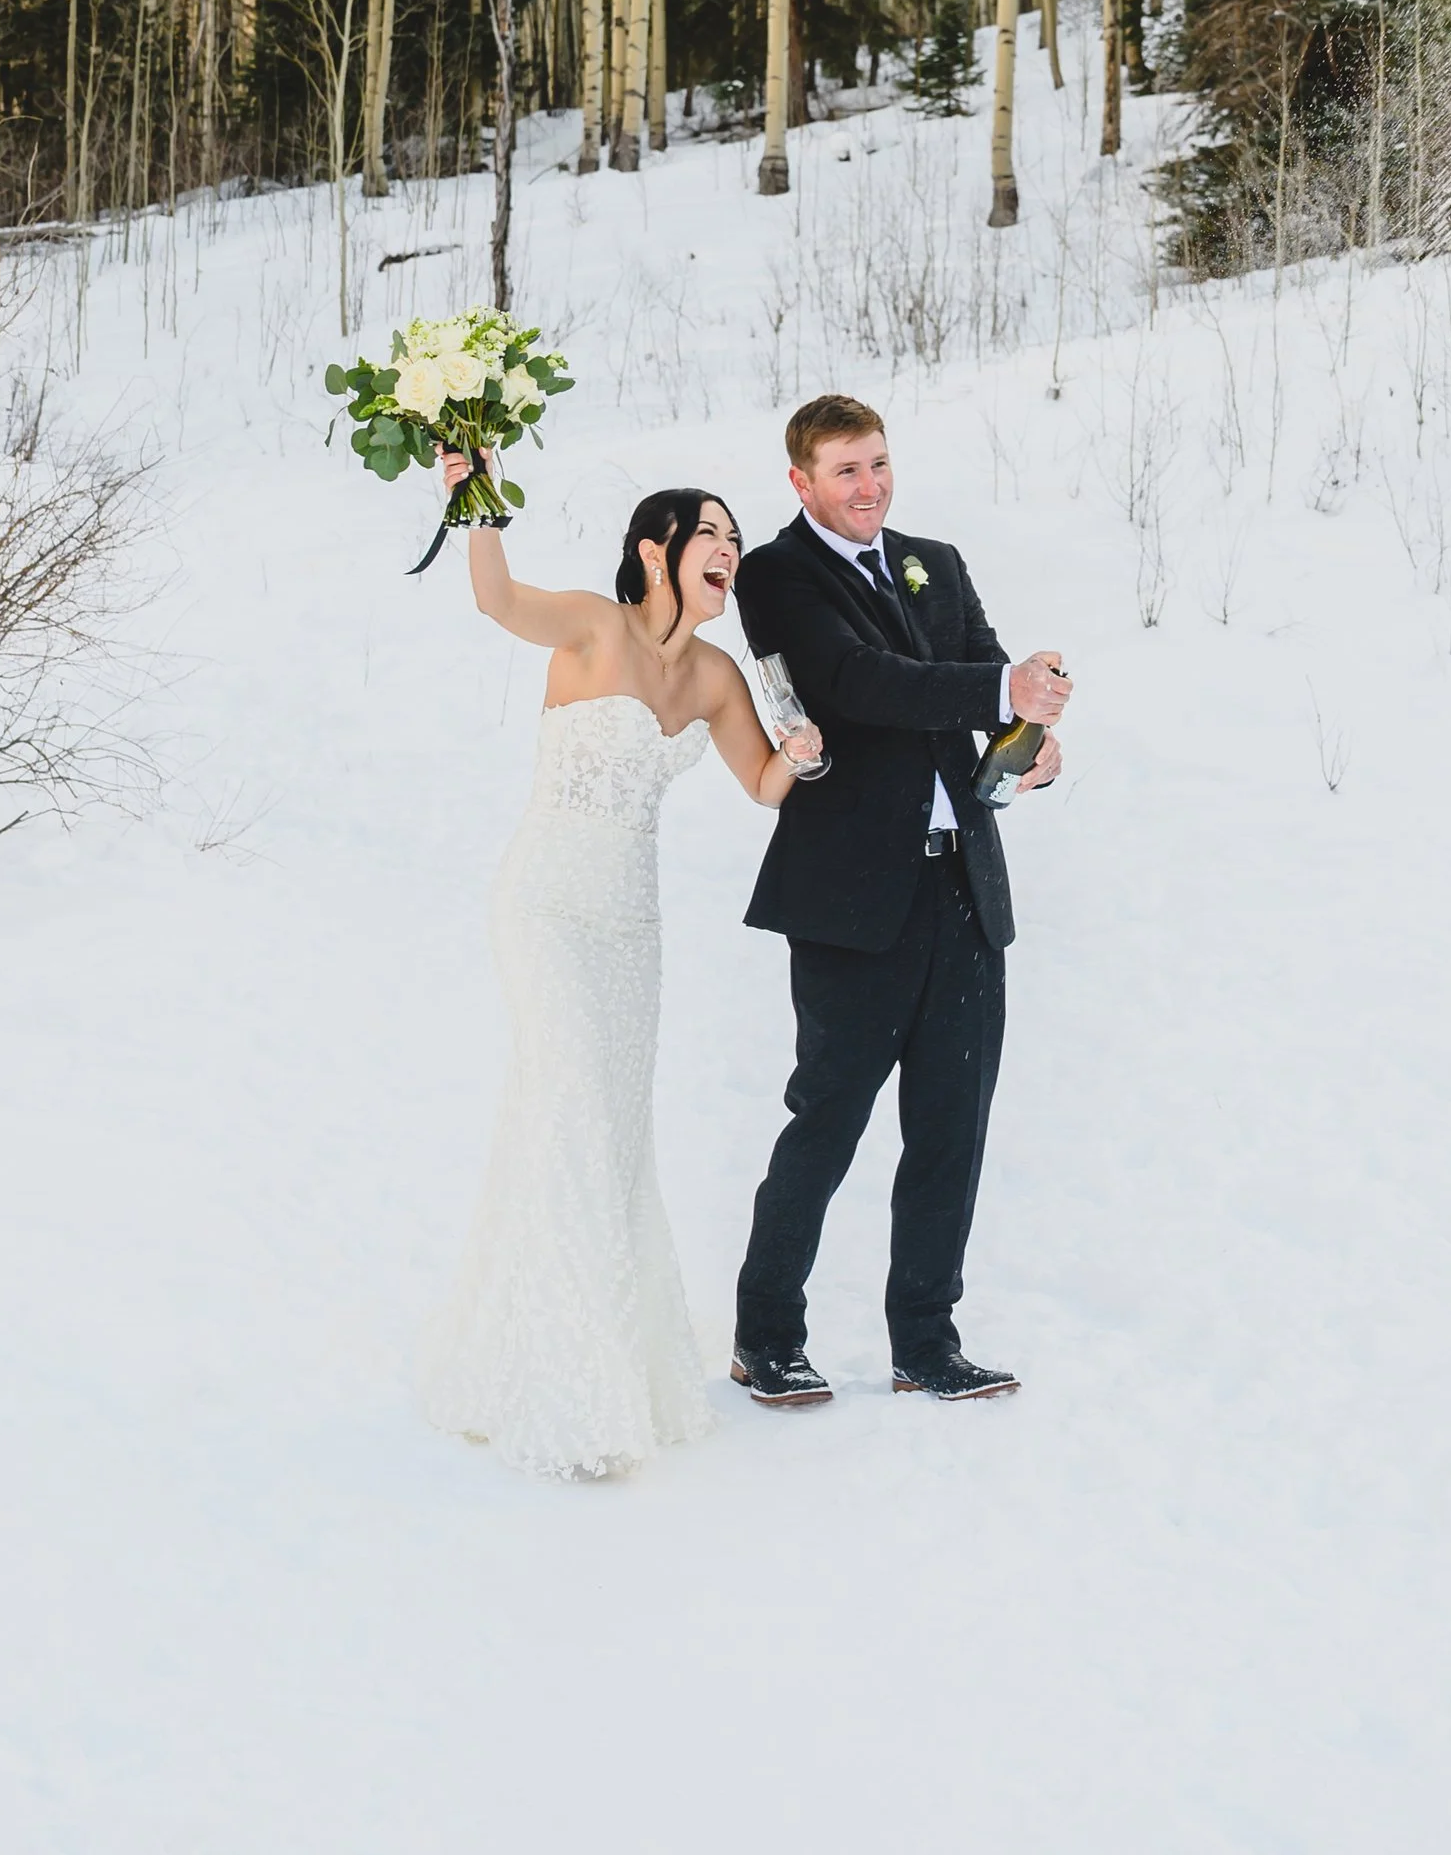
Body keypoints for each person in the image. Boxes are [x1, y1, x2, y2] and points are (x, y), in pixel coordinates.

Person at [420, 471, 819, 1480]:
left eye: (733, 536)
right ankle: (567, 1388)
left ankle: (583, 1359)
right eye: (709, 533)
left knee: (615, 1131)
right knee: (573, 1108)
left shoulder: (721, 674)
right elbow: (496, 600)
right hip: (547, 901)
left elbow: (764, 783)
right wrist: (474, 500)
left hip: (630, 927)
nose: (727, 549)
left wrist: (803, 756)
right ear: (656, 549)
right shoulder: (595, 626)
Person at [726, 393, 1070, 1410]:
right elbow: (855, 681)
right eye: (843, 469)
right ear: (801, 481)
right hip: (848, 899)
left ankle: (927, 1338)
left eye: (876, 462)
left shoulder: (938, 558)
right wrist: (997, 689)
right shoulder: (777, 574)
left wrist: (1033, 737)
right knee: (827, 1119)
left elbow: (979, 670)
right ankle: (765, 1336)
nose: (867, 484)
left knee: (949, 1124)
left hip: (961, 883)